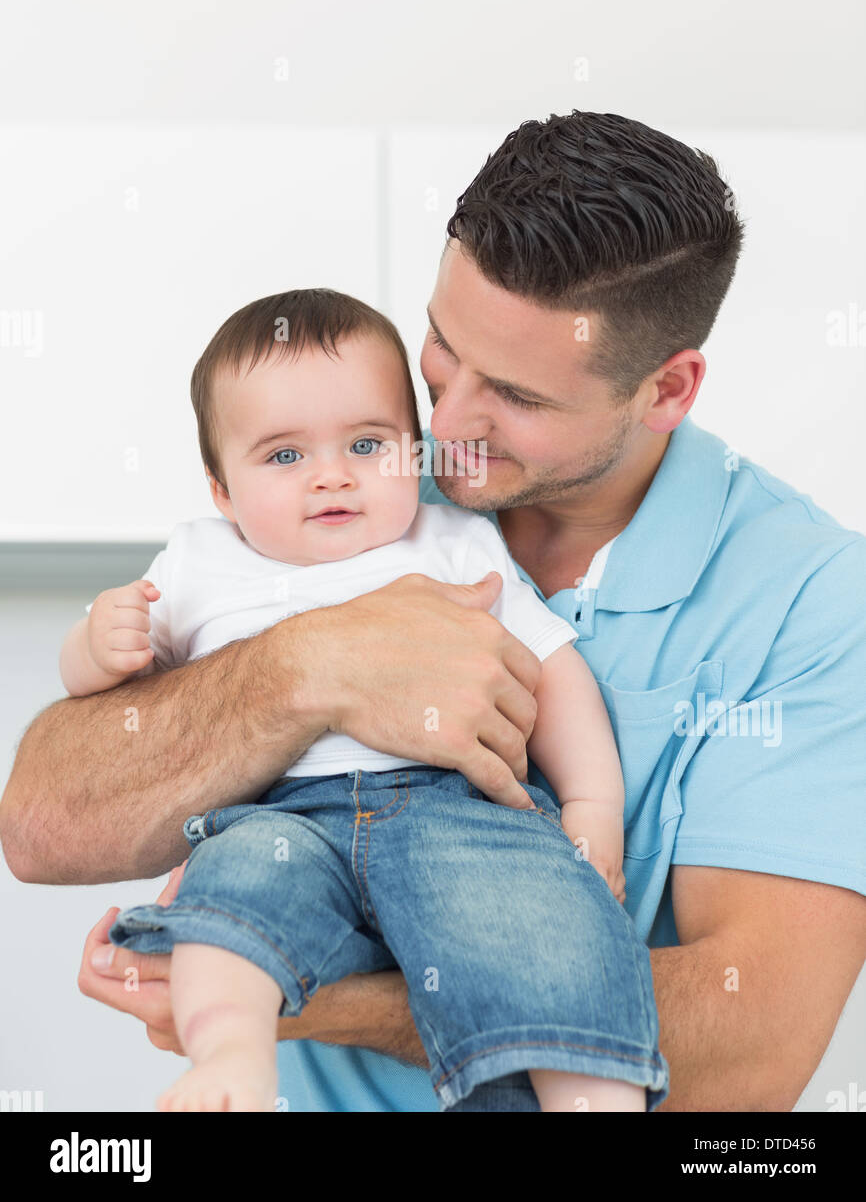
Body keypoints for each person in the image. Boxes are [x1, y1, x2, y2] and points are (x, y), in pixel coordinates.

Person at [3, 111, 866, 1113]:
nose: (442, 431)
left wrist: (311, 991)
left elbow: (748, 1047)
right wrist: (309, 665)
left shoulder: (811, 604)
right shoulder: (352, 465)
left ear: (664, 388)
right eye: (442, 349)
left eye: (515, 396)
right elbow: (41, 823)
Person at [56, 287, 668, 1113]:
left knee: (549, 928)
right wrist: (97, 641)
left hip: (455, 807)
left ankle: (591, 1100)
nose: (332, 476)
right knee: (224, 902)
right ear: (222, 490)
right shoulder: (198, 562)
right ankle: (231, 1058)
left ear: (416, 452)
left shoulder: (452, 542)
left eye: (369, 444)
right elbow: (99, 689)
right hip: (278, 818)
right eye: (283, 457)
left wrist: (592, 803)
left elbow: (553, 668)